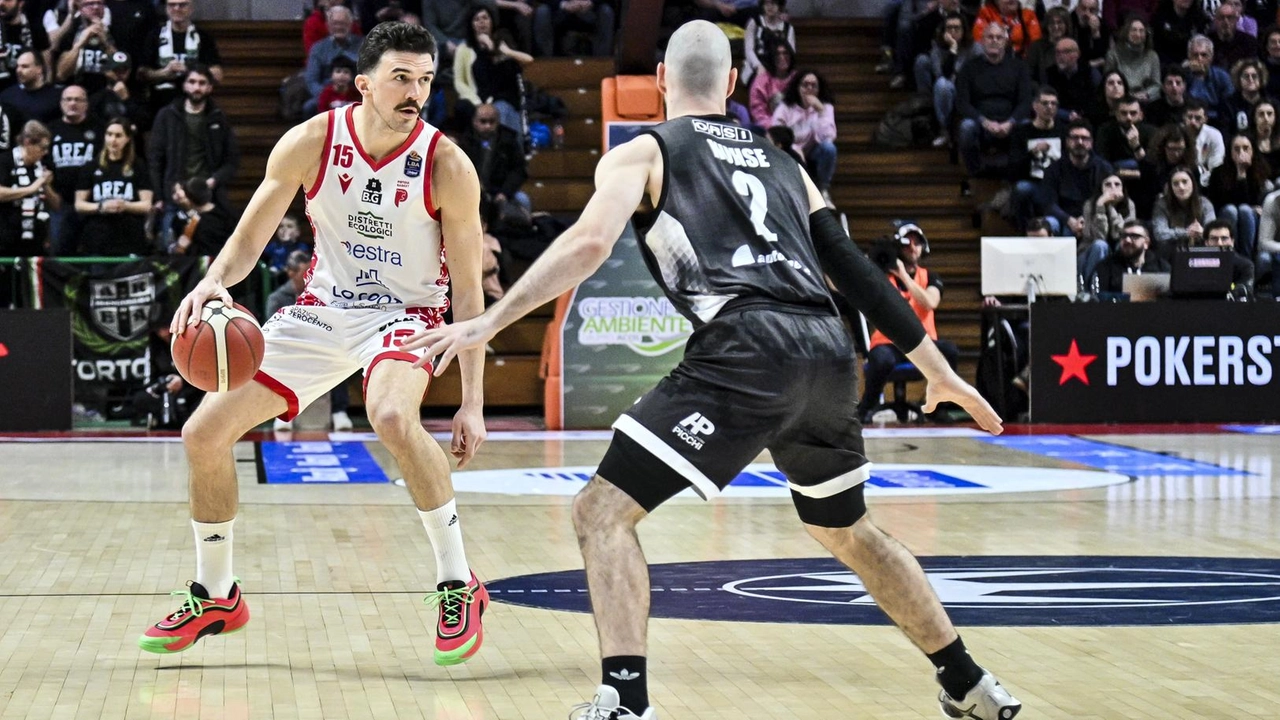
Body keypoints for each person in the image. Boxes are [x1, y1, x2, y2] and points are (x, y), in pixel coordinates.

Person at [401, 20, 1021, 720]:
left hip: (748, 348)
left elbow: (590, 241)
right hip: (826, 348)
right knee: (848, 530)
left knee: (601, 512)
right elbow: (853, 269)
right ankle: (968, 679)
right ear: (731, 86)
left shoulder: (644, 150)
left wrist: (491, 319)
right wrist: (936, 367)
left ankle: (626, 700)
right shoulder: (786, 164)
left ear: (661, 80)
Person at [139, 23, 492, 670]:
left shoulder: (447, 165)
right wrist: (214, 281)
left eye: (425, 80)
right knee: (202, 435)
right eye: (401, 78)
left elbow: (469, 296)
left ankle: (457, 581)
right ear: (363, 84)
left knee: (389, 416)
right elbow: (250, 238)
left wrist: (472, 401)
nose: (416, 92)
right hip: (324, 312)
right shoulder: (311, 142)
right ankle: (216, 594)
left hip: (408, 315)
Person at [856, 223, 960, 423]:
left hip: (922, 342)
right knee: (881, 359)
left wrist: (904, 275)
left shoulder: (930, 276)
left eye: (917, 243)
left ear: (924, 247)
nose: (913, 248)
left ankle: (938, 408)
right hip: (889, 342)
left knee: (950, 351)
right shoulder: (882, 277)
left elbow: (930, 302)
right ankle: (866, 407)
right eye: (907, 243)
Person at [265, 249, 355, 431]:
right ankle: (282, 414)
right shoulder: (276, 299)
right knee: (276, 363)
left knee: (338, 356)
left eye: (311, 273)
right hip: (290, 351)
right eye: (305, 273)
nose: (309, 277)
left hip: (321, 345)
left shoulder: (325, 295)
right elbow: (272, 332)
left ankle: (339, 411)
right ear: (291, 273)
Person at [71, 116, 151, 255]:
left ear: (127, 138)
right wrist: (102, 206)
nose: (113, 140)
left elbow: (146, 205)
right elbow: (79, 204)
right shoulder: (91, 166)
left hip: (130, 237)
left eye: (118, 135)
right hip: (98, 237)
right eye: (109, 135)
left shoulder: (138, 166)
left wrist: (125, 205)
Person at [771, 68, 838, 208]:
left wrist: (820, 111)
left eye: (814, 85)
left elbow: (828, 137)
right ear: (798, 87)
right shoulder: (785, 107)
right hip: (790, 150)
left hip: (813, 150)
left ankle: (823, 190)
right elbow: (775, 133)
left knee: (829, 149)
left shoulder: (825, 107)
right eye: (805, 84)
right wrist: (794, 149)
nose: (809, 89)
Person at [0, 120, 59, 257]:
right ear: (27, 143)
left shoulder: (42, 167)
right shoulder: (5, 161)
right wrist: (32, 188)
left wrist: (46, 186)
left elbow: (56, 205)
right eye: (42, 147)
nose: (45, 152)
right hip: (7, 238)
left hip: (35, 240)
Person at [1205, 133, 1267, 258]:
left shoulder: (1261, 171)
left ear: (1253, 151)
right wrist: (1240, 172)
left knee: (1245, 210)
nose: (1241, 153)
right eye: (1236, 149)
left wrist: (1244, 175)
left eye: (1246, 148)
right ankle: (1229, 256)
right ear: (1230, 152)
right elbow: (1220, 203)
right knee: (1232, 209)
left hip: (1251, 219)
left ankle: (1245, 258)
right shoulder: (1218, 173)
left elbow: (1257, 202)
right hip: (1225, 216)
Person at [1081, 173, 1135, 282]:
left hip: (1117, 247)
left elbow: (1119, 234)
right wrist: (1100, 206)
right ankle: (1092, 289)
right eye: (1108, 185)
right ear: (1101, 188)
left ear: (1122, 188)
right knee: (1100, 245)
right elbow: (1099, 236)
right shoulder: (1090, 205)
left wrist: (1110, 207)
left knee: (1122, 246)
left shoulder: (1129, 205)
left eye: (1117, 184)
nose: (1113, 188)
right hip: (1091, 250)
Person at [1152, 165, 1215, 254]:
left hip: (1200, 250)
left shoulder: (1204, 203)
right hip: (1171, 252)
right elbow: (1160, 234)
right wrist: (1186, 233)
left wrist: (1203, 232)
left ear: (1193, 183)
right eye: (1175, 184)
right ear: (1171, 188)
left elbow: (1213, 231)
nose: (1181, 187)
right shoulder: (1162, 204)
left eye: (1185, 182)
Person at [1094, 219, 1172, 291]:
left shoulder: (1161, 268)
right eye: (1124, 236)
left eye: (1134, 236)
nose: (1127, 240)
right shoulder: (1106, 266)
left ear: (1146, 243)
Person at [1105, 15, 1161, 102]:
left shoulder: (1152, 56)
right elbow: (1109, 82)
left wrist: (1146, 94)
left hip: (1145, 100)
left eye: (1141, 31)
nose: (1138, 34)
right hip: (1121, 99)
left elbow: (1157, 85)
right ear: (1126, 32)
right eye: (1134, 30)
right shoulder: (1113, 55)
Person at [0, 50, 62, 125]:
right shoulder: (7, 96)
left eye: (25, 66)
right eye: (17, 66)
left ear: (39, 69)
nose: (18, 70)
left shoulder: (56, 97)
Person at [1201, 218, 1255, 298]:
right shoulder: (1197, 264)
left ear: (1232, 241)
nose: (1219, 243)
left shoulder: (1245, 266)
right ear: (1206, 242)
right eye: (1214, 239)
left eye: (1224, 238)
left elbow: (1245, 291)